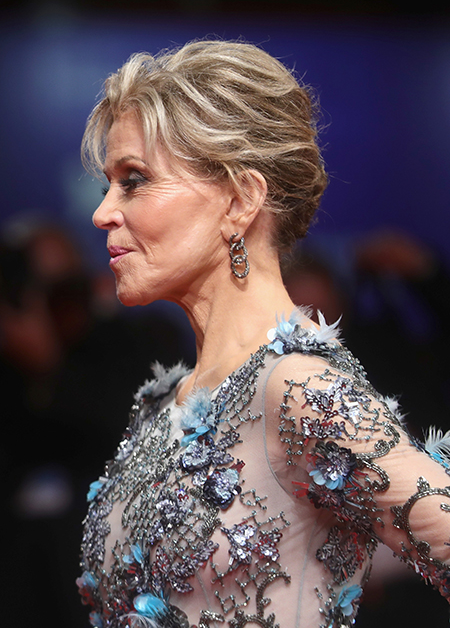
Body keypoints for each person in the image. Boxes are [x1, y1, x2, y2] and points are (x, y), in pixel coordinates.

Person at [76, 39, 450, 628]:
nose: (103, 213)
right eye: (109, 186)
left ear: (240, 200)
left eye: (135, 180)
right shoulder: (160, 400)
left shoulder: (300, 390)